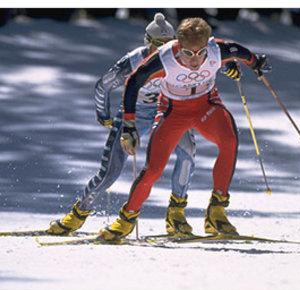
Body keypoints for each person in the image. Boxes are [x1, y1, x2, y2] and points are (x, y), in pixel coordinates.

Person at [46, 13, 241, 236]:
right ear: (147, 41)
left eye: (168, 45)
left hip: (167, 112)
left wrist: (229, 66)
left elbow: (209, 61)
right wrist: (104, 116)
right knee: (111, 171)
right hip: (136, 115)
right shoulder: (134, 61)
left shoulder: (181, 55)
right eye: (157, 45)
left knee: (187, 153)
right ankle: (78, 214)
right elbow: (103, 87)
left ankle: (176, 213)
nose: (163, 51)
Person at [98, 17, 271, 241]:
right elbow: (133, 82)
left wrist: (256, 63)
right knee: (153, 169)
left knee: (229, 141)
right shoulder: (165, 57)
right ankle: (126, 219)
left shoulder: (217, 50)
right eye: (188, 53)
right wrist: (129, 124)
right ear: (179, 45)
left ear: (207, 45)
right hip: (173, 112)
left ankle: (216, 211)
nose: (195, 59)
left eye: (201, 52)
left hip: (206, 106)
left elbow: (240, 52)